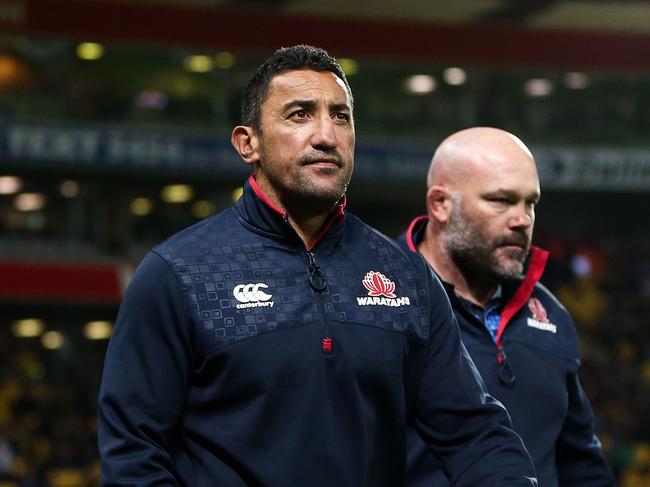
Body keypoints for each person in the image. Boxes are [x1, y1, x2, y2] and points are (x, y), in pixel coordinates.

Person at [98, 46, 537, 486]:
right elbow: (134, 452)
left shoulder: (406, 276)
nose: (326, 135)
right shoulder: (179, 273)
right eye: (300, 114)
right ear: (247, 143)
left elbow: (473, 432)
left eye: (340, 116)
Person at [400, 127, 615, 487]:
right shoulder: (376, 300)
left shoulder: (550, 315)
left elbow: (580, 464)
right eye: (501, 200)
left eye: (530, 202)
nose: (523, 219)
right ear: (440, 205)